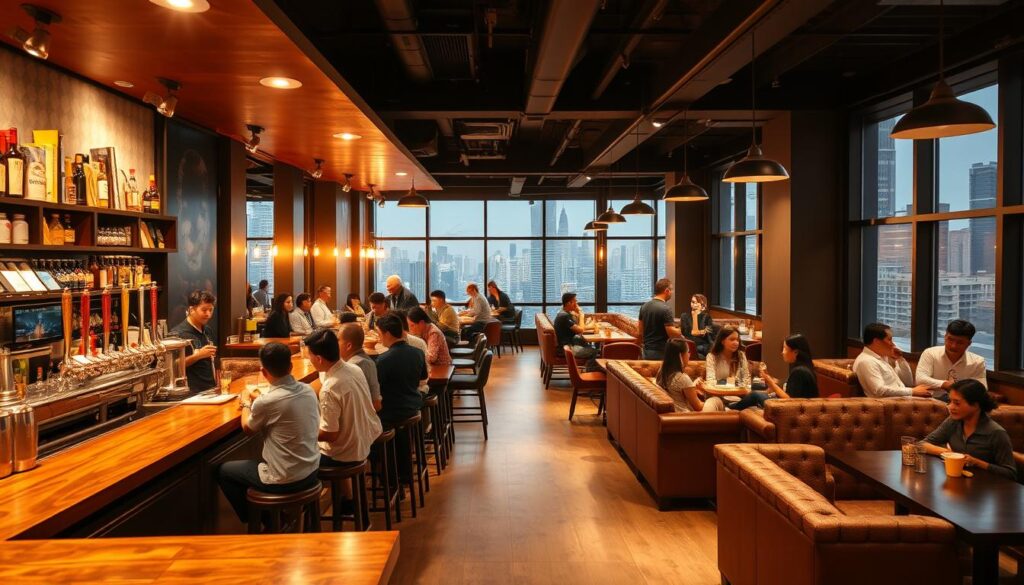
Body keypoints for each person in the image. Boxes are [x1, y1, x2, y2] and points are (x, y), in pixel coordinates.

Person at [216, 342, 320, 523]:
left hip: (285, 479)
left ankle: (265, 523)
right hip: (311, 471)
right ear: (290, 366)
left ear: (263, 372)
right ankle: (277, 519)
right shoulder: (308, 390)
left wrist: (247, 402)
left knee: (224, 471)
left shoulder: (266, 402)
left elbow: (248, 428)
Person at [305, 329, 382, 468]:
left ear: (319, 359)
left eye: (309, 356)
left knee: (298, 451)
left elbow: (330, 435)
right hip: (364, 441)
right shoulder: (354, 369)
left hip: (344, 455)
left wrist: (304, 433)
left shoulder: (330, 388)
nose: (310, 361)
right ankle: (346, 490)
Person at [922, 379, 1016, 481]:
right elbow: (922, 444)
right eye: (950, 401)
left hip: (986, 488)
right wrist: (948, 453)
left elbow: (1010, 474)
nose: (950, 407)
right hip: (958, 483)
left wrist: (977, 462)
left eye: (957, 403)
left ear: (976, 405)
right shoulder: (953, 422)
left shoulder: (996, 433)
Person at [374, 313, 426, 484]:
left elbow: (376, 388)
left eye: (379, 333)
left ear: (387, 334)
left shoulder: (383, 360)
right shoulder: (418, 353)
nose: (379, 337)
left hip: (392, 411)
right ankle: (402, 474)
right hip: (414, 405)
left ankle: (388, 477)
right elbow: (422, 378)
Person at [728, 334, 819, 410]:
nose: (782, 352)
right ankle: (735, 404)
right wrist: (771, 379)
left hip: (789, 410)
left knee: (755, 395)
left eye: (784, 348)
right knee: (756, 385)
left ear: (795, 352)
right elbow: (788, 386)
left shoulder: (800, 371)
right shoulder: (804, 367)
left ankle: (731, 409)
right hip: (791, 405)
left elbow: (789, 400)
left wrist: (769, 381)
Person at [851, 323, 931, 398]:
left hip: (903, 400)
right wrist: (912, 391)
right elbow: (879, 391)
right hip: (893, 405)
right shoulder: (867, 361)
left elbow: (908, 382)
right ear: (876, 342)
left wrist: (900, 360)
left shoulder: (882, 358)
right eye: (889, 340)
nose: (893, 344)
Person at [916, 320, 988, 402]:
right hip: (931, 402)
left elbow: (982, 389)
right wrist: (944, 384)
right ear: (945, 336)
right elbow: (920, 379)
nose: (953, 346)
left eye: (960, 342)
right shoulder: (930, 353)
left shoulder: (977, 361)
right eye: (950, 339)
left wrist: (958, 389)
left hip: (961, 404)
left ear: (969, 343)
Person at [168, 290, 218, 393]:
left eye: (211, 310)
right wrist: (198, 355)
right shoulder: (178, 334)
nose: (208, 314)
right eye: (204, 310)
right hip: (192, 392)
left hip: (210, 388)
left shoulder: (207, 330)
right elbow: (173, 365)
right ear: (191, 310)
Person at [656, 338, 718, 412]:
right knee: (716, 400)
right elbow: (698, 407)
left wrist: (692, 385)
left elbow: (679, 391)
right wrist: (707, 401)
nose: (689, 355)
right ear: (680, 356)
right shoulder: (682, 378)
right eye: (688, 352)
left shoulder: (662, 371)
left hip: (673, 415)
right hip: (686, 417)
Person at [339, 323, 382, 411]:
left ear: (348, 346)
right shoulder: (368, 361)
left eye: (338, 340)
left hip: (361, 420)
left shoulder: (353, 366)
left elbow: (376, 405)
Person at [638, 278, 682, 360]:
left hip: (646, 352)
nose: (672, 293)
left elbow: (640, 332)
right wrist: (681, 329)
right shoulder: (665, 308)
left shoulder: (644, 306)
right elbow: (672, 334)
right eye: (671, 290)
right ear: (666, 291)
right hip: (661, 352)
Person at [553, 292, 599, 367]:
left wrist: (577, 315)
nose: (577, 303)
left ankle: (589, 366)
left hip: (568, 344)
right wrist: (581, 315)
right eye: (575, 301)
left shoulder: (564, 313)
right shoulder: (564, 316)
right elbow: (580, 330)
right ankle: (590, 370)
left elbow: (577, 327)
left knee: (586, 343)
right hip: (566, 348)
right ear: (569, 303)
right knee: (595, 352)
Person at [680, 294, 714, 358]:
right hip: (691, 345)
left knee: (707, 349)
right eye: (692, 302)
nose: (693, 304)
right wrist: (702, 331)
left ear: (702, 305)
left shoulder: (706, 317)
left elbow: (709, 333)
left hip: (704, 345)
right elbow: (689, 333)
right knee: (698, 352)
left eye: (695, 302)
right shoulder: (684, 316)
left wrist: (702, 332)